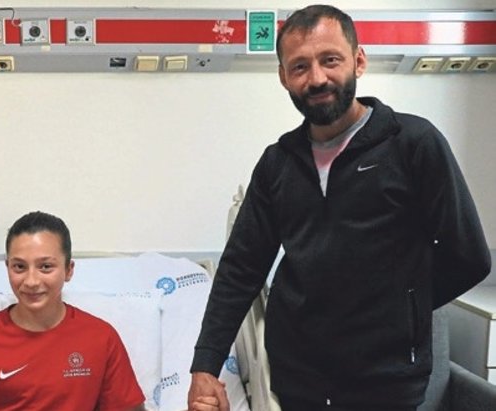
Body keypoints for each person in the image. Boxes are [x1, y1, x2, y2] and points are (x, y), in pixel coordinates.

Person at [188, 4, 491, 411]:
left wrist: (401, 309)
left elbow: (468, 257)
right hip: (297, 382)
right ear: (283, 77)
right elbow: (241, 269)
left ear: (358, 60)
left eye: (330, 60)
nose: (316, 78)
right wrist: (205, 366)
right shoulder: (278, 164)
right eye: (300, 67)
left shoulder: (412, 144)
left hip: (386, 384)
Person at [0, 211, 146, 411]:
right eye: (19, 267)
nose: (31, 281)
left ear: (68, 270)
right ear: (7, 268)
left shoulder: (100, 338)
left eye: (46, 267)